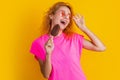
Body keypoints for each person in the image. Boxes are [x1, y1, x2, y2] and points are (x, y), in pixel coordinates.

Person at [29, 2, 106, 80]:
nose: (66, 17)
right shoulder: (39, 43)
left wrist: (83, 28)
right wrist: (48, 54)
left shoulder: (73, 38)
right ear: (51, 16)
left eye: (69, 16)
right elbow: (46, 75)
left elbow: (101, 47)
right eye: (62, 13)